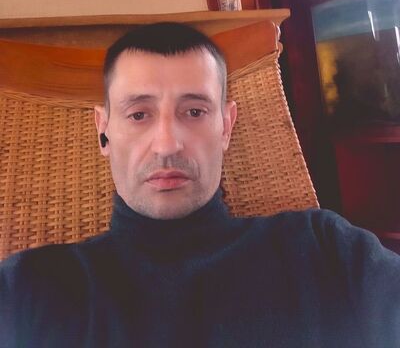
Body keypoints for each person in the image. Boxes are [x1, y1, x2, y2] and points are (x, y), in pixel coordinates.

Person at [0, 21, 400, 348]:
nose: (167, 144)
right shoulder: (29, 289)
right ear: (103, 130)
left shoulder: (325, 251)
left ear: (226, 126)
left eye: (194, 111)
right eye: (139, 114)